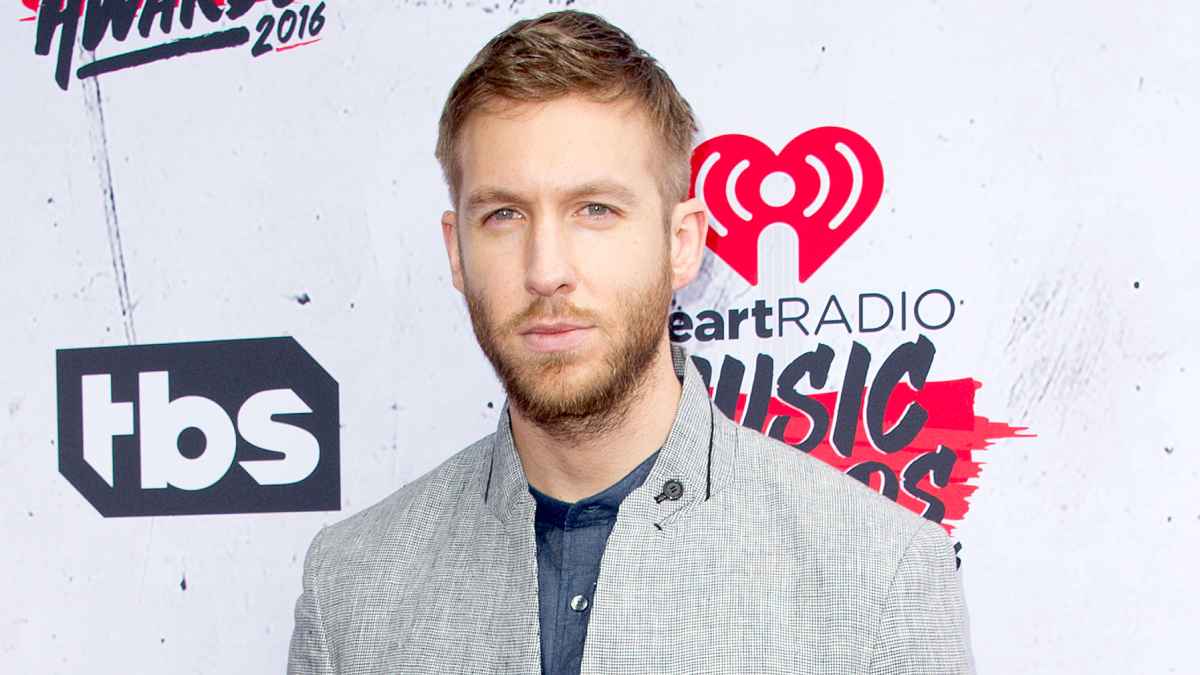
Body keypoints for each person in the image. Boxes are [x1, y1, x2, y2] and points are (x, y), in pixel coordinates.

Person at [288, 9, 974, 675]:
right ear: (457, 251)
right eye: (503, 214)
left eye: (595, 210)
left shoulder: (877, 574)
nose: (546, 269)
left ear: (681, 244)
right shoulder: (351, 586)